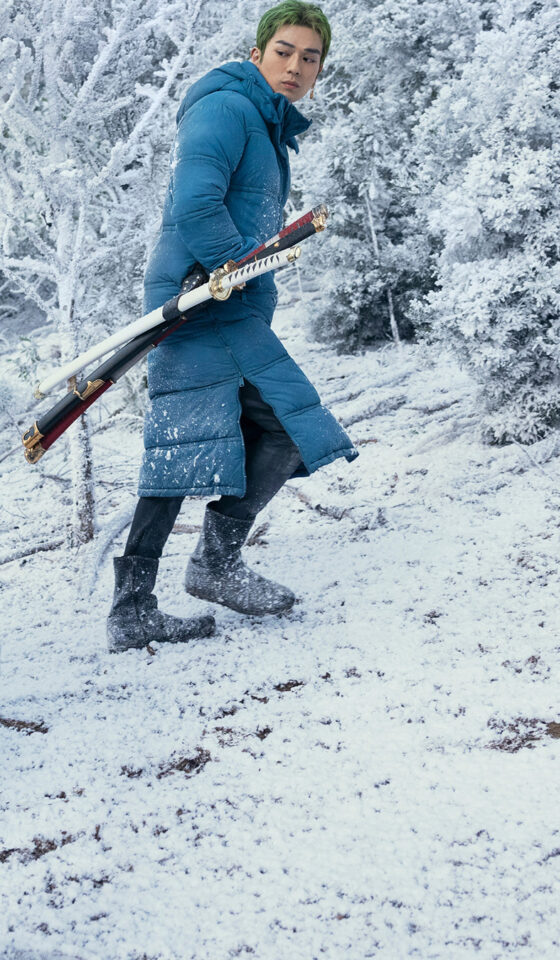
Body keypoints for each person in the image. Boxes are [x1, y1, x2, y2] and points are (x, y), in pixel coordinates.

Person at [107, 0, 357, 653]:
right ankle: (192, 576)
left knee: (194, 440)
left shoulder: (263, 124)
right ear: (258, 52)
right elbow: (196, 202)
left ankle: (149, 597)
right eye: (285, 51)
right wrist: (233, 270)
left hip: (225, 294)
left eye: (310, 58)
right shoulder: (226, 108)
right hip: (200, 294)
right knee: (275, 427)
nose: (297, 67)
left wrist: (245, 275)